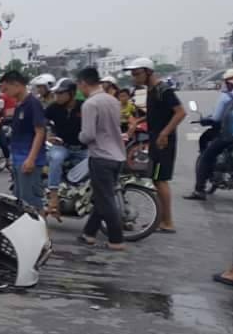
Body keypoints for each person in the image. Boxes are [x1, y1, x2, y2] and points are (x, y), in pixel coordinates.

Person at [127, 56, 184, 232]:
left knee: (161, 180)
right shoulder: (151, 90)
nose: (134, 77)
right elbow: (156, 113)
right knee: (156, 179)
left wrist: (165, 133)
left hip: (163, 142)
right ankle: (161, 220)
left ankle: (168, 222)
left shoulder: (163, 90)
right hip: (155, 139)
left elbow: (180, 112)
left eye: (137, 73)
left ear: (148, 72)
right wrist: (139, 121)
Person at [73, 67, 127, 250]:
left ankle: (116, 239)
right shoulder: (113, 101)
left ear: (83, 83)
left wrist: (78, 137)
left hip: (101, 157)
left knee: (106, 199)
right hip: (118, 155)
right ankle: (89, 233)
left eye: (79, 85)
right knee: (102, 196)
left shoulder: (90, 104)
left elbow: (88, 135)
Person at [0, 70, 47, 210]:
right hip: (18, 159)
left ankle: (41, 231)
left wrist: (31, 159)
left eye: (6, 89)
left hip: (28, 161)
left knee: (32, 202)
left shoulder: (33, 104)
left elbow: (40, 132)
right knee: (20, 202)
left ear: (17, 85)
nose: (4, 93)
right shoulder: (19, 105)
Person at [184, 69, 233, 201]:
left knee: (206, 157)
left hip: (228, 136)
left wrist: (205, 120)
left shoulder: (226, 97)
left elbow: (216, 118)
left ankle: (199, 190)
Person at [44, 78, 86, 217]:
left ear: (72, 93)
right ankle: (54, 196)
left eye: (61, 93)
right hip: (62, 146)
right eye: (57, 93)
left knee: (97, 163)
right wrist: (48, 135)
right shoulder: (53, 108)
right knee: (56, 158)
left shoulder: (84, 106)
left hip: (83, 148)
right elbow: (41, 123)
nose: (58, 96)